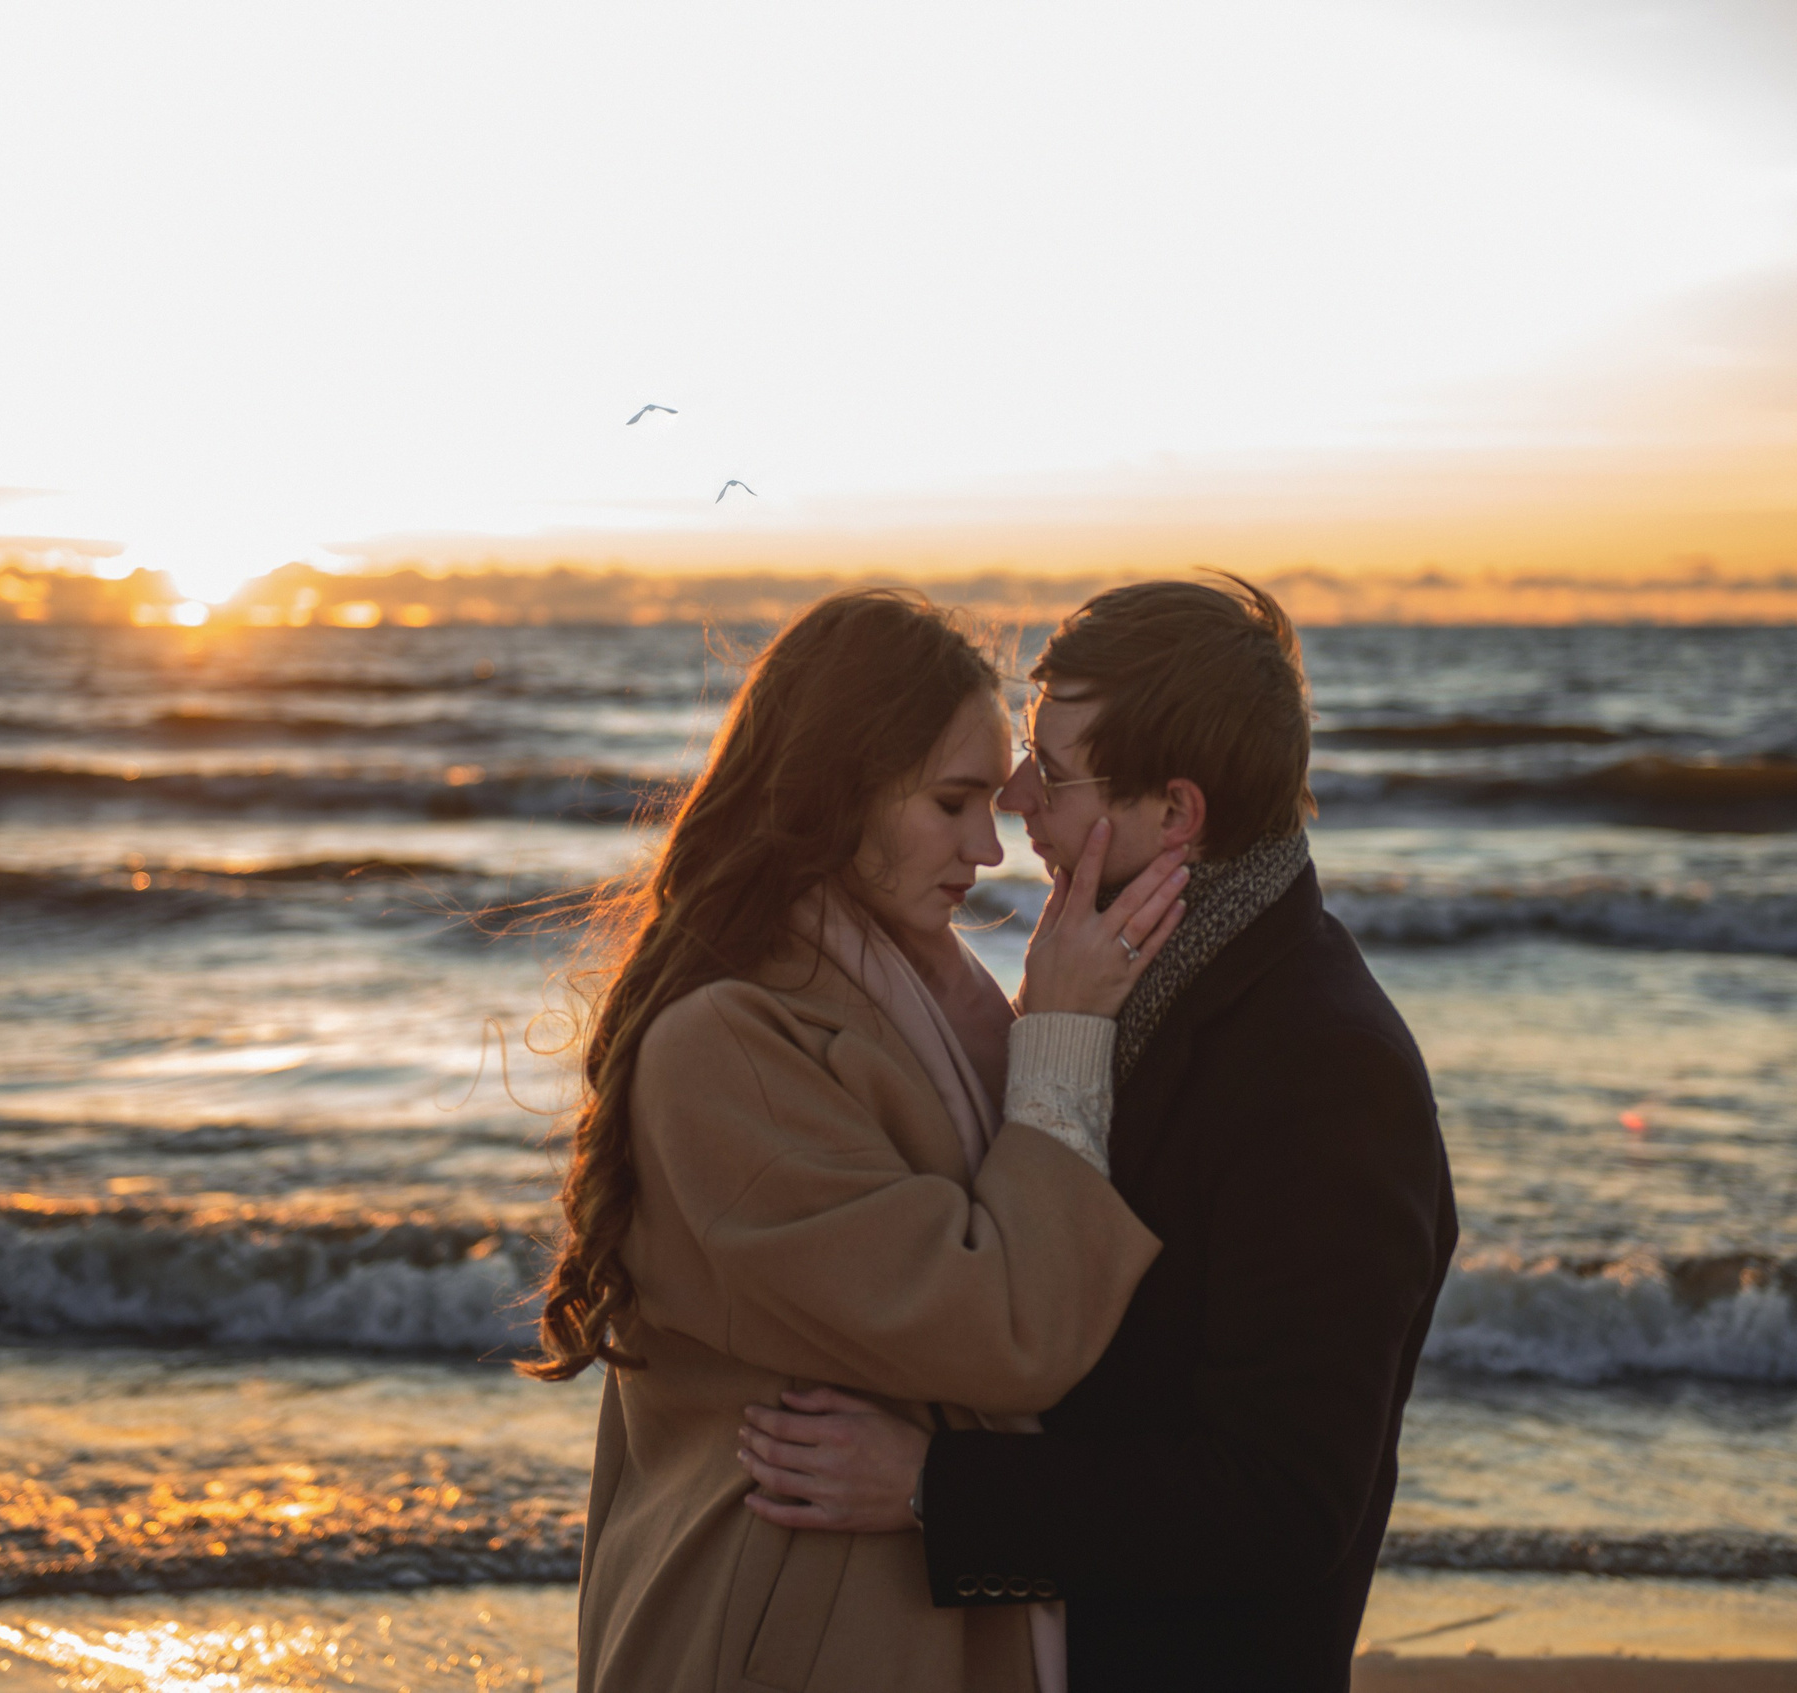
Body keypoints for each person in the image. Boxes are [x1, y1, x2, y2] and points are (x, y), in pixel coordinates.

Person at [734, 575, 1460, 1691]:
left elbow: (1281, 1505)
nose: (1016, 789)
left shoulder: (1324, 1069)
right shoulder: (1131, 981)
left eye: (1055, 770)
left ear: (1175, 813)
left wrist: (933, 1484)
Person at [526, 588, 1192, 1693]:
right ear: (837, 793)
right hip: (781, 1633)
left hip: (875, 1613)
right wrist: (1065, 1040)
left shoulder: (923, 996)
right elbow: (1006, 1327)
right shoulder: (727, 1044)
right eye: (950, 801)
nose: (989, 846)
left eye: (991, 798)